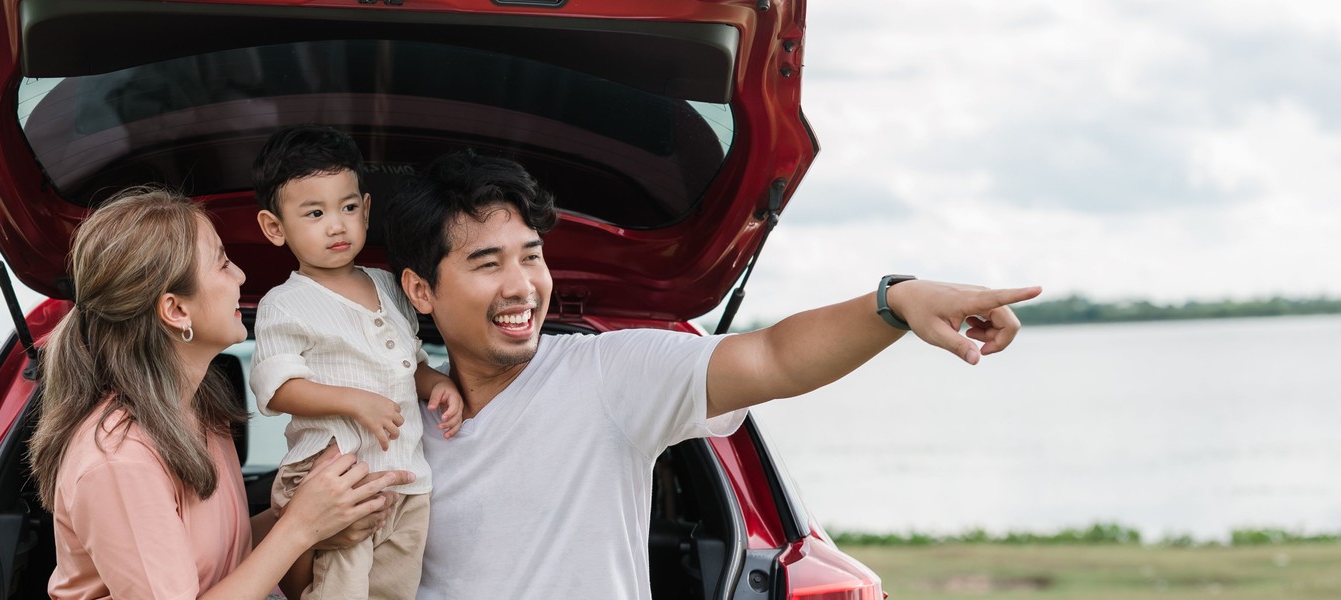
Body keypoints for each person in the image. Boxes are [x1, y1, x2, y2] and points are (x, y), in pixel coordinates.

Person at [380, 150, 1042, 599]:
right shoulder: (385, 420)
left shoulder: (609, 376)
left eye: (532, 256)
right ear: (421, 289)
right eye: (488, 264)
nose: (523, 286)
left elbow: (773, 357)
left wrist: (894, 302)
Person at [26, 188, 415, 600]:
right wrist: (300, 527)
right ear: (176, 311)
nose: (241, 277)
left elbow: (229, 556)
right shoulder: (118, 461)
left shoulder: (197, 412)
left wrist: (319, 518)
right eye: (223, 263)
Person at [245, 125, 463, 600]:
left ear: (366, 209)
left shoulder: (388, 285)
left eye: (347, 208)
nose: (336, 225)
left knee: (395, 590)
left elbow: (410, 363)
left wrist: (434, 385)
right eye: (315, 213)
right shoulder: (284, 303)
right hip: (336, 480)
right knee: (338, 590)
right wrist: (353, 402)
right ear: (274, 228)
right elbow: (276, 388)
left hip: (406, 479)